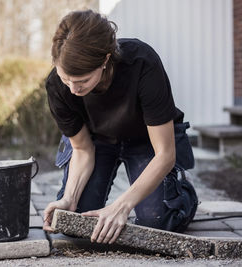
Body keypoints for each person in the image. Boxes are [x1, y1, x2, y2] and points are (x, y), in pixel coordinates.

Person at [42, 9, 198, 244]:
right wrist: (69, 198)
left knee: (158, 222)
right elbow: (83, 149)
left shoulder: (142, 63)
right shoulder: (56, 86)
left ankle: (183, 193)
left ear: (105, 59)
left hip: (147, 141)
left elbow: (165, 154)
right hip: (97, 142)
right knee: (75, 222)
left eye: (83, 80)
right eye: (66, 79)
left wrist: (121, 206)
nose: (73, 89)